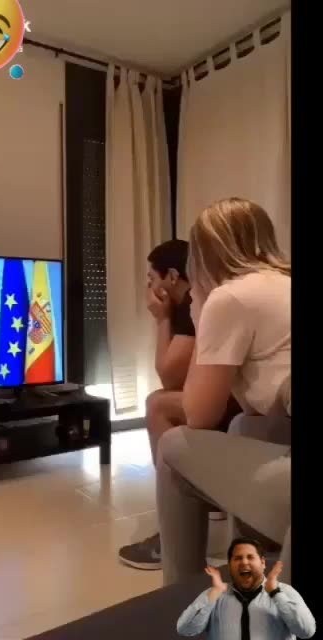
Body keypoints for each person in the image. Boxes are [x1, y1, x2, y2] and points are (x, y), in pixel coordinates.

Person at [156, 197, 291, 585]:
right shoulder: (282, 284)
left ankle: (178, 592)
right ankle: (247, 573)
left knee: (172, 446)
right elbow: (255, 408)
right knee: (244, 428)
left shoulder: (229, 296)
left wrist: (201, 322)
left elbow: (198, 415)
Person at [118, 239, 239, 570]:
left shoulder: (190, 304)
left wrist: (161, 320)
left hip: (238, 407)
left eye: (151, 279)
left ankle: (174, 523)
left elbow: (168, 375)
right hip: (246, 404)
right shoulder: (201, 299)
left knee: (157, 404)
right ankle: (208, 499)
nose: (149, 288)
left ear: (172, 276)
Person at [177, 537, 315, 639]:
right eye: (237, 558)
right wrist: (214, 593)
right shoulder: (214, 594)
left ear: (262, 563)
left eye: (250, 557)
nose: (244, 562)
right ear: (230, 565)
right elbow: (186, 629)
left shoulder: (286, 592)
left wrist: (275, 593)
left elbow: (306, 631)